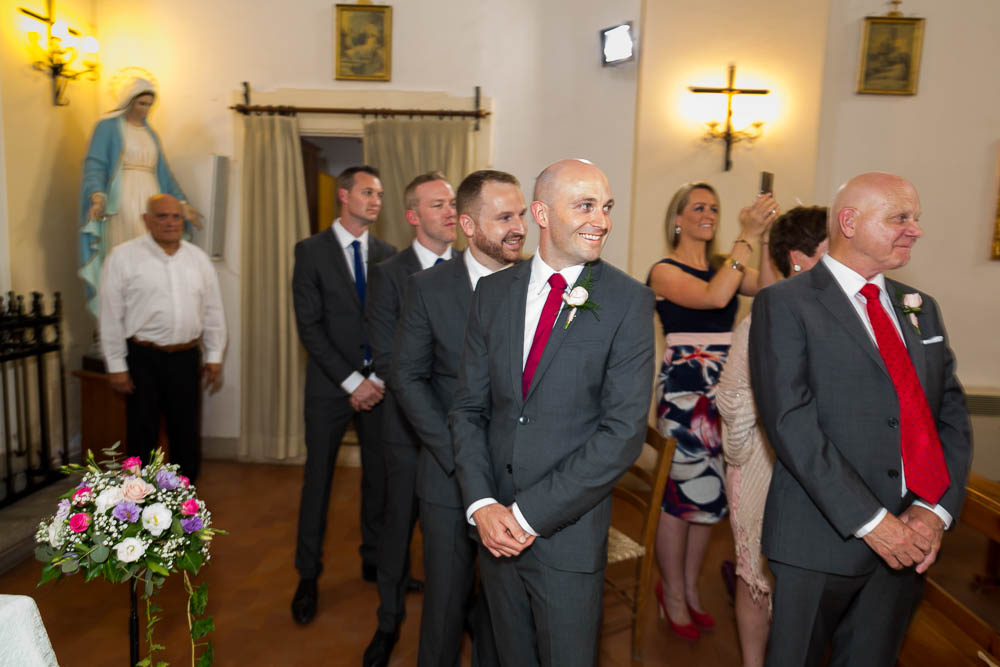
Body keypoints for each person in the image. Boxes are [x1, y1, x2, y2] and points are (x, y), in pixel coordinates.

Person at [749, 172, 972, 666]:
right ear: (849, 222)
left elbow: (950, 415)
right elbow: (790, 423)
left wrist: (934, 512)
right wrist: (873, 522)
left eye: (915, 218)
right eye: (900, 218)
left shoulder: (921, 308)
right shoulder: (786, 304)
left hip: (909, 543)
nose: (915, 229)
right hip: (818, 538)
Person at [451, 159, 655, 666]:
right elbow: (470, 408)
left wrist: (526, 515)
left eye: (606, 207)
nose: (602, 220)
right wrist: (482, 505)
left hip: (568, 535)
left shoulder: (629, 302)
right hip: (495, 530)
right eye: (585, 206)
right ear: (541, 213)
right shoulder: (494, 293)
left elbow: (622, 433)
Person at [395, 169, 527, 667]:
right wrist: (460, 456)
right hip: (449, 476)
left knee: (503, 611)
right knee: (446, 606)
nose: (519, 226)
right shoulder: (428, 288)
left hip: (517, 478)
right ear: (469, 226)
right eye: (505, 217)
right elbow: (407, 378)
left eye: (521, 214)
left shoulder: (539, 286)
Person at [646, 181, 778, 640]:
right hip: (685, 389)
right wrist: (747, 234)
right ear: (677, 218)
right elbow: (716, 298)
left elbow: (773, 289)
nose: (709, 213)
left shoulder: (730, 265)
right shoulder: (663, 270)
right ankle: (674, 591)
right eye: (698, 207)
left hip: (726, 388)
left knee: (713, 494)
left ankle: (692, 589)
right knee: (681, 495)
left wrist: (767, 235)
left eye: (715, 208)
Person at [715, 206, 829, 667]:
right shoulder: (766, 312)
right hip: (761, 465)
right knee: (754, 576)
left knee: (803, 580)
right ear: (800, 259)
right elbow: (733, 396)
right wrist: (750, 455)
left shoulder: (841, 312)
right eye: (832, 250)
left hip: (819, 466)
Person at [290, 165, 396, 625]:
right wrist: (353, 383)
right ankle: (307, 575)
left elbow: (393, 324)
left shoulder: (389, 255)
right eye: (367, 192)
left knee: (379, 478)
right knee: (318, 482)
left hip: (380, 388)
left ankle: (373, 558)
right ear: (344, 195)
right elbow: (309, 327)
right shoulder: (310, 251)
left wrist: (379, 380)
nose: (375, 201)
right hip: (330, 389)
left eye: (380, 195)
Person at [362, 171, 456, 666]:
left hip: (464, 433)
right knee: (397, 531)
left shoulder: (474, 269)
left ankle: (457, 622)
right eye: (437, 204)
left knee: (459, 537)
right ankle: (388, 623)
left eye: (453, 202)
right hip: (405, 430)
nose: (449, 211)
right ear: (413, 216)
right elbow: (386, 360)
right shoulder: (388, 273)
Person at [98, 194, 225, 482]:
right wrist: (117, 366)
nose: (170, 222)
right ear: (146, 220)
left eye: (176, 216)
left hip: (186, 357)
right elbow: (110, 316)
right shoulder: (123, 257)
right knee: (142, 434)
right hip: (143, 357)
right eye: (162, 216)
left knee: (186, 433)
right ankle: (137, 505)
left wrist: (215, 356)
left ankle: (185, 502)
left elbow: (214, 310)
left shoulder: (198, 259)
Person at [80, 75, 201, 318]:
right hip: (122, 202)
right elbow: (95, 164)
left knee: (154, 259)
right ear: (129, 101)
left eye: (149, 104)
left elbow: (164, 173)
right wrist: (97, 196)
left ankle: (150, 314)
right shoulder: (108, 127)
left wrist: (182, 203)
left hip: (151, 197)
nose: (145, 109)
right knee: (127, 259)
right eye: (141, 103)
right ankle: (123, 318)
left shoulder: (150, 133)